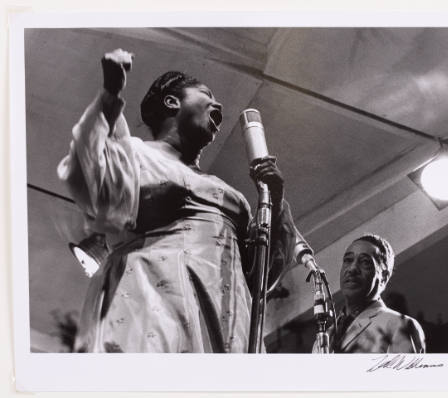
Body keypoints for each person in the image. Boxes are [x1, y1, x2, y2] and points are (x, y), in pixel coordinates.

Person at [57, 49, 296, 353]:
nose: (218, 104)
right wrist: (109, 96)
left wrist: (274, 201)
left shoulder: (231, 197)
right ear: (172, 102)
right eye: (205, 94)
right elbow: (89, 177)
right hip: (152, 306)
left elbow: (261, 279)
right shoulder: (135, 153)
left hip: (225, 323)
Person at [313, 234, 425, 353]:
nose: (352, 269)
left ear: (384, 277)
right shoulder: (324, 338)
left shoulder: (399, 326)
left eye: (365, 262)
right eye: (348, 260)